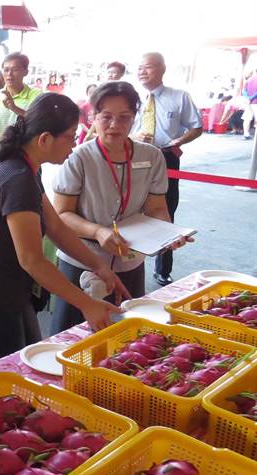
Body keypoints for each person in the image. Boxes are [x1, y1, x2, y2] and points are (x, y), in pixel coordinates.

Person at [0, 93, 128, 363]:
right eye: (71, 136)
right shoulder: (18, 178)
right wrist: (87, 304)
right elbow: (32, 260)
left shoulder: (26, 168)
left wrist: (100, 266)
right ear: (45, 139)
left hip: (10, 291)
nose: (74, 144)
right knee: (9, 371)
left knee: (28, 356)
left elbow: (56, 227)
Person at [51, 81, 192, 334]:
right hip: (83, 262)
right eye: (106, 117)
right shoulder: (79, 157)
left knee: (126, 336)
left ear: (135, 118)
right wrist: (98, 232)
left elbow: (157, 207)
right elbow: (61, 214)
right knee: (73, 336)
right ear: (93, 117)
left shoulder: (151, 156)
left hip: (130, 262)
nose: (114, 125)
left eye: (124, 117)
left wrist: (167, 233)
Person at [131, 52, 202, 286]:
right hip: (133, 156)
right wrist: (133, 137)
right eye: (140, 67)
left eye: (148, 67)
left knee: (166, 209)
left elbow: (196, 127)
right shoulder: (130, 97)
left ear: (162, 69)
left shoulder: (179, 97)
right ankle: (130, 262)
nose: (142, 71)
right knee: (130, 208)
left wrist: (179, 141)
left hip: (165, 158)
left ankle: (163, 268)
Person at [0, 52, 42, 143]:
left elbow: (39, 123)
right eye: (6, 70)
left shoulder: (36, 94)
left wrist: (14, 108)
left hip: (27, 152)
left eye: (15, 69)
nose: (9, 74)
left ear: (26, 72)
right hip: (2, 151)